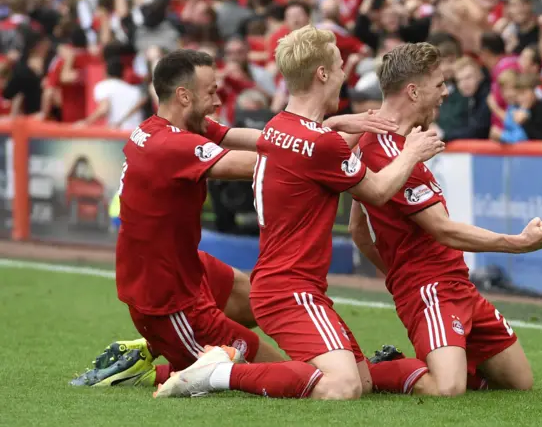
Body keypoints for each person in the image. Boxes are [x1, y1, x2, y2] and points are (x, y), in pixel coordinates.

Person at [70, 48, 399, 388]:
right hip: (166, 300)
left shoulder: (166, 127)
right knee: (272, 367)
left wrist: (319, 130)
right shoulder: (173, 146)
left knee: (256, 298)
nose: (217, 101)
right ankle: (151, 370)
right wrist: (326, 142)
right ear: (184, 96)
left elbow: (271, 142)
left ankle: (151, 348)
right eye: (211, 92)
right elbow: (274, 164)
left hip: (184, 267)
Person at [154, 26, 445, 400]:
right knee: (342, 388)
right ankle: (219, 372)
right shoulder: (317, 141)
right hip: (289, 289)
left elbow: (314, 147)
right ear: (322, 73)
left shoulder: (280, 126)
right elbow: (377, 191)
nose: (344, 75)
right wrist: (411, 151)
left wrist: (340, 124)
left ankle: (169, 370)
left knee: (365, 381)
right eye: (339, 66)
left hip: (286, 284)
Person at [348, 42, 542, 397]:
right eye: (439, 84)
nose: (445, 93)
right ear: (413, 91)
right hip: (430, 288)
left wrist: (396, 274)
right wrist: (517, 244)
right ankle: (370, 372)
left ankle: (447, 356)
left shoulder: (385, 142)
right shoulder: (384, 150)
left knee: (519, 382)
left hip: (457, 284)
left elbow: (358, 230)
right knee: (447, 388)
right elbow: (442, 229)